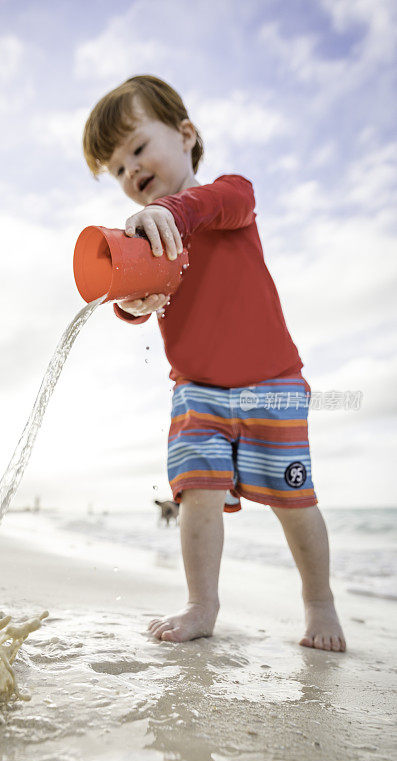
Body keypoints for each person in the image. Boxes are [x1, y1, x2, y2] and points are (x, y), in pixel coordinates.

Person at [82, 75, 346, 651]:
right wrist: (133, 303)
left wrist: (173, 211)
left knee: (292, 500)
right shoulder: (151, 235)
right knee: (196, 493)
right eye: (117, 169)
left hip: (271, 382)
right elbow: (139, 301)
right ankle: (202, 604)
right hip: (197, 388)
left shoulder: (227, 196)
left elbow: (218, 205)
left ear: (185, 135)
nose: (130, 171)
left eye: (137, 148)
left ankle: (319, 603)